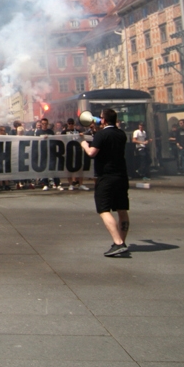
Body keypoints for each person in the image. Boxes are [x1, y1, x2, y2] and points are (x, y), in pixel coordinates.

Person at [80, 109, 130, 257]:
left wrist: (84, 145)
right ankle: (121, 241)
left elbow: (92, 153)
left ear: (103, 120)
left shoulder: (102, 134)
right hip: (121, 175)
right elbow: (107, 142)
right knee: (122, 210)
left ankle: (118, 243)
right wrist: (96, 132)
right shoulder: (121, 134)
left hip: (106, 176)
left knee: (103, 209)